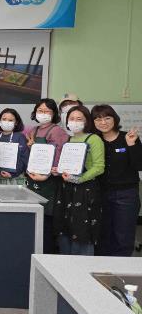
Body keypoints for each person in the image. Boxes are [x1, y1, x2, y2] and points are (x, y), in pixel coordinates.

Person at [54, 106, 105, 256]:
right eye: (71, 119)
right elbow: (68, 165)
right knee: (66, 228)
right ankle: (66, 265)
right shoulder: (69, 139)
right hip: (67, 189)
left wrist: (78, 179)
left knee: (82, 230)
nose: (75, 122)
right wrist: (58, 170)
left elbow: (99, 167)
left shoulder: (94, 139)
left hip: (85, 190)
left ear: (87, 121)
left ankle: (82, 266)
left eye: (79, 119)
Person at [92, 105, 142, 256]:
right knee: (103, 236)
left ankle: (121, 268)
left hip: (126, 195)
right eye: (98, 119)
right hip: (100, 194)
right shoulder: (94, 140)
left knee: (123, 238)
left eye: (107, 118)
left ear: (115, 119)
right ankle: (102, 268)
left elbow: (139, 165)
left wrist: (131, 145)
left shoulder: (128, 137)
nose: (103, 122)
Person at [25, 99, 69, 253]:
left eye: (47, 111)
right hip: (33, 179)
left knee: (47, 222)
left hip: (49, 183)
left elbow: (59, 157)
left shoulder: (57, 131)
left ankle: (46, 255)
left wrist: (47, 174)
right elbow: (33, 156)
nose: (43, 114)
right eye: (40, 110)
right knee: (34, 220)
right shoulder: (34, 130)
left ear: (54, 114)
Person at [0, 108, 29, 185]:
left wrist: (14, 174)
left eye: (10, 120)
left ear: (16, 122)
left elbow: (24, 158)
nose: (6, 122)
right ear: (0, 120)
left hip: (14, 178)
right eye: (4, 119)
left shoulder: (20, 137)